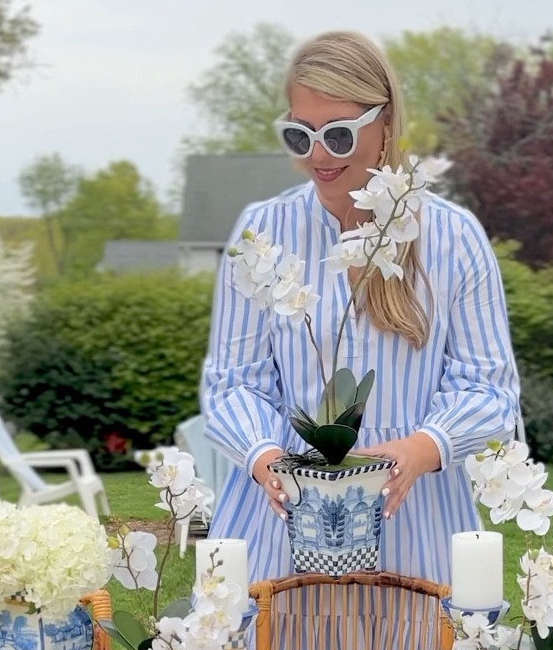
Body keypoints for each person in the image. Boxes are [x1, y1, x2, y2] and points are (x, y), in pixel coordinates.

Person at [201, 29, 519, 585]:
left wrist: (422, 449)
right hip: (280, 532)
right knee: (271, 647)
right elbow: (232, 382)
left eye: (339, 135)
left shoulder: (454, 237)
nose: (318, 156)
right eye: (300, 135)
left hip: (417, 529)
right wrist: (266, 458)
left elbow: (491, 389)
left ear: (385, 123)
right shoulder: (262, 232)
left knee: (423, 647)